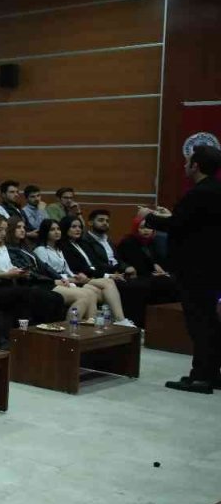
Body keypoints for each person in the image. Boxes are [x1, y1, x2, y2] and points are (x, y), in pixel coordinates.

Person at [141, 145, 221, 393]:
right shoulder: (215, 190)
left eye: (187, 161)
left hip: (196, 269)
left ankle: (200, 377)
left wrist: (149, 216)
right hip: (212, 267)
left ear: (196, 165)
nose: (184, 165)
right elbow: (194, 223)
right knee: (209, 322)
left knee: (199, 324)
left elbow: (178, 226)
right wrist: (170, 215)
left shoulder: (199, 193)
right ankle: (211, 373)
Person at [34, 218, 131, 325]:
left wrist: (75, 276)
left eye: (58, 229)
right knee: (91, 292)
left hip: (69, 279)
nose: (57, 232)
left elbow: (68, 270)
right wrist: (72, 279)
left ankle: (95, 324)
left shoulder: (58, 249)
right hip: (56, 282)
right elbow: (47, 271)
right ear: (45, 232)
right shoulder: (41, 250)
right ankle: (73, 328)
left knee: (99, 291)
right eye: (52, 229)